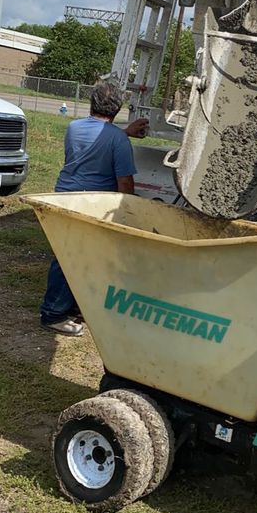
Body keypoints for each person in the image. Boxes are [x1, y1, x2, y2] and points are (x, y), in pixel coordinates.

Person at [39, 79, 149, 337]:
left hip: (64, 196)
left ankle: (74, 306)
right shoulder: (118, 141)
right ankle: (53, 314)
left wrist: (124, 132)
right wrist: (129, 213)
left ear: (92, 103)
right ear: (118, 107)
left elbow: (100, 137)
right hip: (93, 204)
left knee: (75, 254)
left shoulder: (73, 127)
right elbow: (124, 181)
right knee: (73, 257)